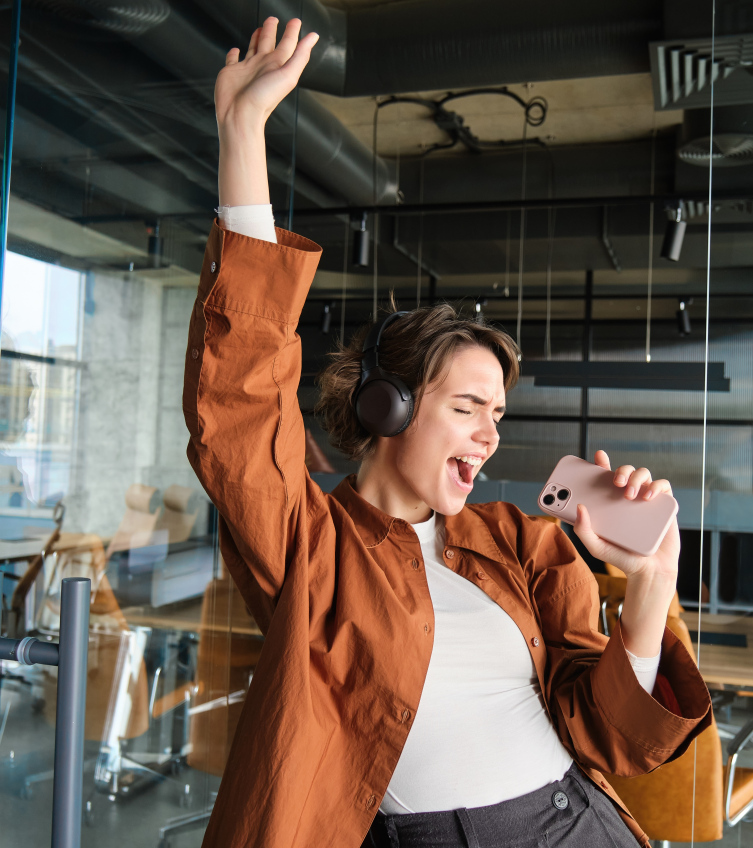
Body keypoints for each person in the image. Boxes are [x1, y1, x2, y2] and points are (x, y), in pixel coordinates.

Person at [184, 17, 712, 848]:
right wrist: (242, 130)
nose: (489, 434)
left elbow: (607, 737)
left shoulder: (521, 544)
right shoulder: (312, 544)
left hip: (581, 824)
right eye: (467, 407)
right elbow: (240, 397)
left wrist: (651, 586)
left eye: (497, 415)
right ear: (387, 406)